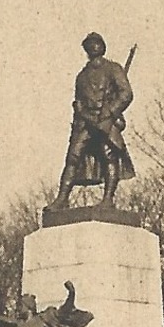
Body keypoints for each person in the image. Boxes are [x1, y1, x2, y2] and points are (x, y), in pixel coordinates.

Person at [49, 32, 135, 209]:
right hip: (85, 122)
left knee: (109, 156)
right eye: (91, 43)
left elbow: (126, 93)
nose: (95, 46)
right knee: (73, 157)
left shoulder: (113, 68)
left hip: (106, 120)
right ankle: (62, 198)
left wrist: (109, 112)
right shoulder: (82, 76)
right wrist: (80, 114)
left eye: (98, 43)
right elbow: (78, 101)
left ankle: (108, 200)